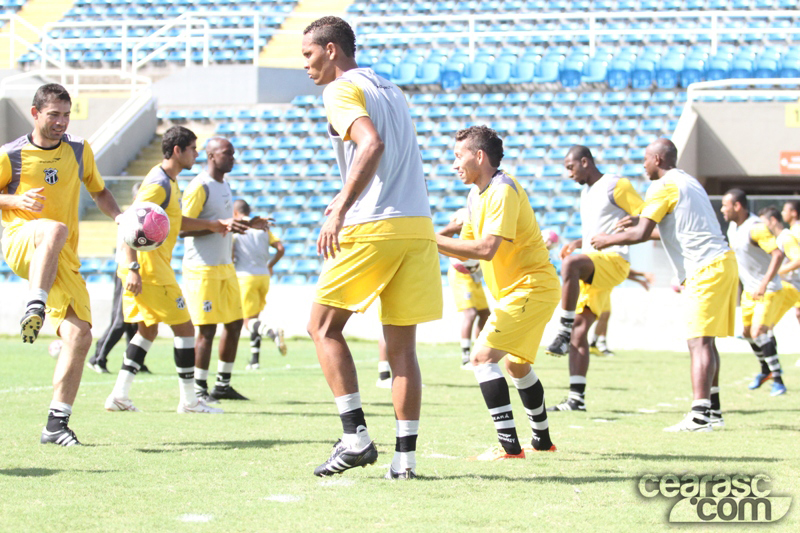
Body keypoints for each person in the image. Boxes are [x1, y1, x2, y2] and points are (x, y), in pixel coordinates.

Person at [302, 16, 443, 479]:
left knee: (322, 326)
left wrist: (342, 205)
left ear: (331, 50)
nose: (306, 65)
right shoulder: (391, 89)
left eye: (308, 54)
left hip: (374, 226)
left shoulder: (339, 91)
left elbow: (371, 143)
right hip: (417, 226)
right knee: (402, 349)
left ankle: (355, 438)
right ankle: (405, 462)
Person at [0, 83, 124, 445]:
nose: (61, 122)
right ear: (35, 114)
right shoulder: (11, 155)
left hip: (63, 258)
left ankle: (56, 424)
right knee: (55, 229)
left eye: (66, 114)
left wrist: (119, 218)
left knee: (80, 335)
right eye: (54, 114)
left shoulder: (79, 149)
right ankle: (34, 304)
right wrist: (15, 200)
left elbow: (99, 191)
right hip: (22, 241)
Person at [591, 138, 738, 432]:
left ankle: (699, 416)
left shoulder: (662, 185)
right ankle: (714, 412)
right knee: (705, 340)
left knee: (698, 341)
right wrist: (636, 219)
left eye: (645, 159)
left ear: (657, 160)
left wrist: (606, 240)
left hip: (705, 267)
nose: (643, 165)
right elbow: (669, 230)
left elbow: (643, 233)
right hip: (721, 262)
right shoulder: (688, 181)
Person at [437, 125, 559, 460]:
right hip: (523, 292)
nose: (453, 164)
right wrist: (429, 240)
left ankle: (510, 449)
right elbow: (466, 250)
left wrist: (426, 238)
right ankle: (542, 441)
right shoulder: (476, 194)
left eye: (458, 156)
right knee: (517, 367)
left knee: (481, 359)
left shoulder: (503, 190)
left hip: (531, 288)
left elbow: (487, 248)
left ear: (479, 156)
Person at [104, 126, 243, 414]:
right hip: (149, 270)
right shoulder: (158, 184)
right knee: (185, 328)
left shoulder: (171, 181)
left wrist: (212, 225)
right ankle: (190, 401)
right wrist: (132, 268)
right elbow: (130, 223)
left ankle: (119, 395)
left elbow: (177, 224)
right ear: (178, 151)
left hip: (152, 267)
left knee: (148, 330)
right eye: (193, 148)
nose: (196, 154)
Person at [544, 145, 644, 412]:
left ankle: (561, 332)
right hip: (595, 263)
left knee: (571, 264)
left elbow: (648, 216)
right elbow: (598, 229)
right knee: (580, 330)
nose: (568, 173)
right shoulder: (586, 192)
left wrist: (632, 222)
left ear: (584, 162)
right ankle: (576, 399)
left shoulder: (615, 185)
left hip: (615, 261)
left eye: (570, 167)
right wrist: (580, 241)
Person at [181, 137, 256, 402]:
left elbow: (222, 223)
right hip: (202, 268)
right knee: (207, 330)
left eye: (233, 153)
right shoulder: (199, 186)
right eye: (227, 153)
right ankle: (199, 389)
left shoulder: (224, 185)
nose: (233, 158)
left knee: (235, 323)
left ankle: (222, 384)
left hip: (225, 267)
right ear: (211, 156)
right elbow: (181, 227)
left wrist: (243, 224)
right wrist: (219, 225)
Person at [720, 189, 787, 396]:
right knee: (748, 334)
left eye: (725, 205)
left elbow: (778, 254)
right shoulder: (733, 227)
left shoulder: (756, 228)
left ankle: (778, 381)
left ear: (737, 206)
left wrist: (764, 283)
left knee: (759, 331)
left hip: (767, 290)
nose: (722, 209)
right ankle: (766, 370)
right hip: (749, 291)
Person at [87, 181, 142, 374]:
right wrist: (132, 268)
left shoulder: (145, 215)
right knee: (120, 320)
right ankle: (97, 358)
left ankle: (136, 361)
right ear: (137, 197)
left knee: (134, 320)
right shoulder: (130, 217)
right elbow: (126, 246)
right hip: (125, 271)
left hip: (137, 270)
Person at [231, 198, 286, 371]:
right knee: (255, 320)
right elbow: (281, 248)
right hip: (263, 276)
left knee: (247, 321)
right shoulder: (263, 228)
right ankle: (255, 361)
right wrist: (270, 265)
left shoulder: (237, 229)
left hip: (245, 277)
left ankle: (272, 332)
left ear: (235, 212)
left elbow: (231, 255)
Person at [438, 208, 491, 368]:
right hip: (460, 273)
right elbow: (441, 238)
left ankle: (478, 352)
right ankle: (465, 356)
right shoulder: (462, 218)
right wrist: (450, 229)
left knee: (485, 313)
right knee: (471, 313)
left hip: (474, 274)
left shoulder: (484, 223)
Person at [588, 269, 655, 357]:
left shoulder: (616, 262)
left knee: (605, 316)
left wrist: (640, 279)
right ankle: (586, 344)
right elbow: (623, 271)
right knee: (591, 317)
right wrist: (643, 275)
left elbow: (621, 272)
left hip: (605, 290)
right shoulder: (608, 258)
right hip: (595, 289)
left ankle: (599, 344)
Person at [759, 206, 800, 337]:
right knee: (766, 326)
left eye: (763, 223)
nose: (761, 228)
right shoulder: (773, 240)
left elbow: (798, 260)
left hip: (790, 286)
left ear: (772, 220)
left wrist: (775, 272)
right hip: (784, 287)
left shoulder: (786, 237)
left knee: (764, 326)